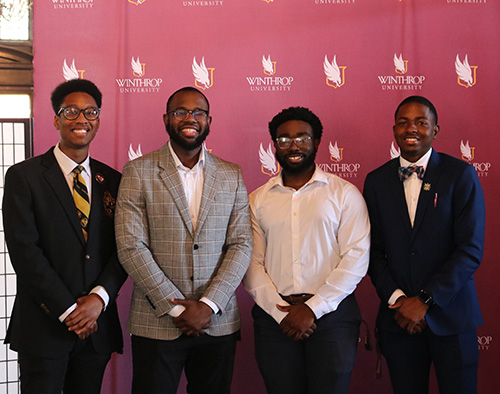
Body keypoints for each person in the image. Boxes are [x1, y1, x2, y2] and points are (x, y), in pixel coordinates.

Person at [115, 86, 253, 394]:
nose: (189, 118)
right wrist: (177, 308)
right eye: (180, 112)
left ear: (209, 121)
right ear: (166, 119)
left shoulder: (231, 174)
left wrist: (208, 305)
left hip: (217, 322)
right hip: (158, 321)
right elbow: (130, 245)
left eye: (198, 113)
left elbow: (241, 244)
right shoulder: (138, 172)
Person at [2, 79, 127, 394]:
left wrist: (98, 299)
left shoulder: (113, 180)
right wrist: (71, 310)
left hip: (96, 327)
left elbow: (124, 249)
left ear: (97, 121)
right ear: (56, 119)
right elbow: (25, 252)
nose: (81, 119)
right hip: (44, 326)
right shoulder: (23, 177)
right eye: (71, 111)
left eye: (90, 112)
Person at [243, 106, 370, 394]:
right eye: (284, 140)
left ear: (316, 143)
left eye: (302, 138)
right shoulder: (257, 200)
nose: (293, 146)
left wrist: (312, 309)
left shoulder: (344, 193)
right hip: (275, 320)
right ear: (274, 146)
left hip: (333, 318)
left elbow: (356, 258)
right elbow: (251, 263)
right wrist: (282, 314)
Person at [363, 96, 485, 394]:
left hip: (452, 318)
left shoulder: (460, 174)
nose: (411, 129)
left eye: (421, 122)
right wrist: (400, 301)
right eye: (403, 122)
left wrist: (425, 301)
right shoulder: (376, 181)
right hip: (399, 321)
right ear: (394, 130)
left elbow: (469, 249)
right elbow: (372, 251)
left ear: (435, 130)